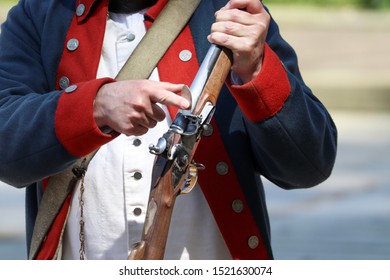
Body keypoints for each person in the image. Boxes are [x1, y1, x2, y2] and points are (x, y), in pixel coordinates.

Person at [0, 0, 337, 260]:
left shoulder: (228, 11)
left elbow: (309, 166)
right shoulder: (39, 14)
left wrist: (256, 69)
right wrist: (95, 105)